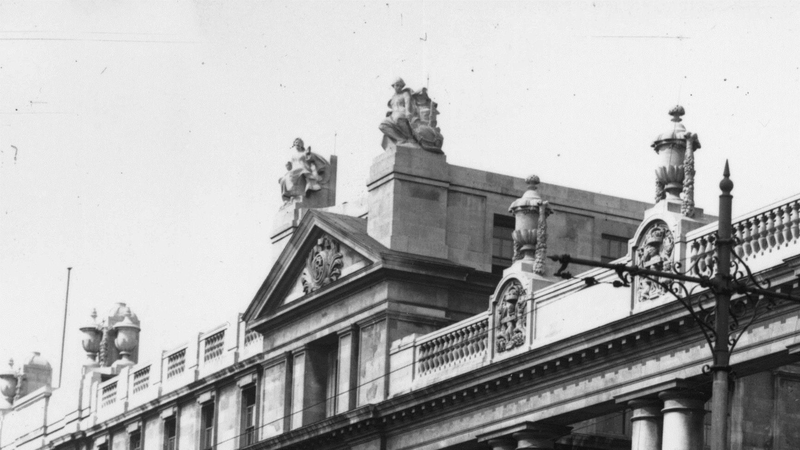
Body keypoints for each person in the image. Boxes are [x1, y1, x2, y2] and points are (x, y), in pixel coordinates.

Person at [279, 138, 329, 204]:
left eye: (298, 142)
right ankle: (287, 197)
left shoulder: (305, 153)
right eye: (295, 142)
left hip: (304, 168)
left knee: (292, 173)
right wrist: (289, 165)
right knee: (283, 179)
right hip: (295, 170)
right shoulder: (293, 156)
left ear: (302, 144)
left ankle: (301, 192)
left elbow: (311, 160)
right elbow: (292, 166)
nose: (297, 143)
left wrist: (309, 155)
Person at [379, 78, 417, 144]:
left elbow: (407, 102)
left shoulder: (405, 93)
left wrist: (408, 112)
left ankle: (410, 137)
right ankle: (400, 139)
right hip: (393, 114)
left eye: (400, 86)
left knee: (398, 118)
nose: (398, 87)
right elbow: (394, 107)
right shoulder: (393, 97)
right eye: (397, 85)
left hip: (402, 112)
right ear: (393, 86)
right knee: (382, 125)